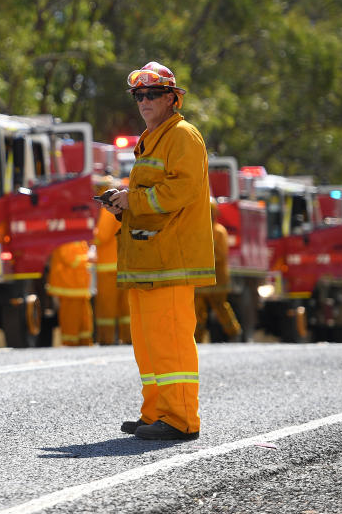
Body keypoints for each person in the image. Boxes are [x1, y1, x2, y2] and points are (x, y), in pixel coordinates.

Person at [98, 61, 215, 441]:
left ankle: (181, 420)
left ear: (172, 99)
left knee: (171, 341)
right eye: (139, 95)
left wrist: (132, 200)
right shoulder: (154, 137)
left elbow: (180, 191)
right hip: (148, 260)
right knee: (148, 345)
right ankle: (156, 414)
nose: (144, 101)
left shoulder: (183, 136)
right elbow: (150, 197)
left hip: (171, 259)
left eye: (152, 95)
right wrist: (123, 204)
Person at [194, 199, 241, 342]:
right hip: (200, 282)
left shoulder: (219, 232)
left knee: (221, 308)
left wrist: (205, 252)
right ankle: (197, 339)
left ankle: (234, 334)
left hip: (218, 280)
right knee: (197, 312)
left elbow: (221, 255)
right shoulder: (196, 231)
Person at [93, 185, 131, 345]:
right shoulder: (125, 208)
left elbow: (101, 236)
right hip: (122, 264)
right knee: (125, 307)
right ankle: (129, 337)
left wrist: (87, 237)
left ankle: (106, 339)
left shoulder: (108, 213)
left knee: (106, 307)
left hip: (108, 267)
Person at [46, 241, 93, 346]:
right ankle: (70, 345)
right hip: (68, 289)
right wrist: (88, 259)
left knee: (84, 321)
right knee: (71, 320)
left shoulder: (79, 240)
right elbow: (71, 260)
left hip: (79, 289)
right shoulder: (66, 239)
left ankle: (84, 343)